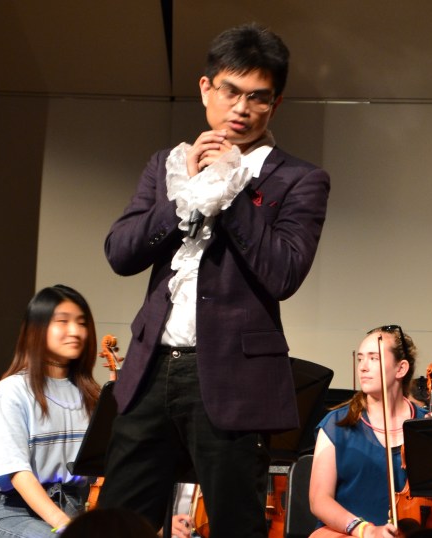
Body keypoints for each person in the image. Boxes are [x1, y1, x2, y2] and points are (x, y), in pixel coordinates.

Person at [98, 23, 330, 536]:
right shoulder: (167, 165)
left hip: (232, 378)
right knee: (119, 523)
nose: (241, 108)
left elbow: (284, 273)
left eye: (258, 97)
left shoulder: (299, 179)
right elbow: (120, 252)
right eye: (230, 91)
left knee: (234, 525)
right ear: (206, 89)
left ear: (275, 104)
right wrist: (184, 191)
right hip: (151, 369)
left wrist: (229, 188)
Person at [0, 285, 101, 536]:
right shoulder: (12, 390)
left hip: (75, 509)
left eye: (81, 323)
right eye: (63, 321)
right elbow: (18, 472)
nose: (75, 331)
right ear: (38, 328)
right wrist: (65, 525)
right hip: (16, 514)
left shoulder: (93, 395)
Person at [308, 326, 432, 538]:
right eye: (360, 359)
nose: (363, 367)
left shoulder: (425, 425)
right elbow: (319, 500)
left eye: (374, 358)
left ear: (401, 369)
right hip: (349, 534)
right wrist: (366, 530)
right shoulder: (336, 425)